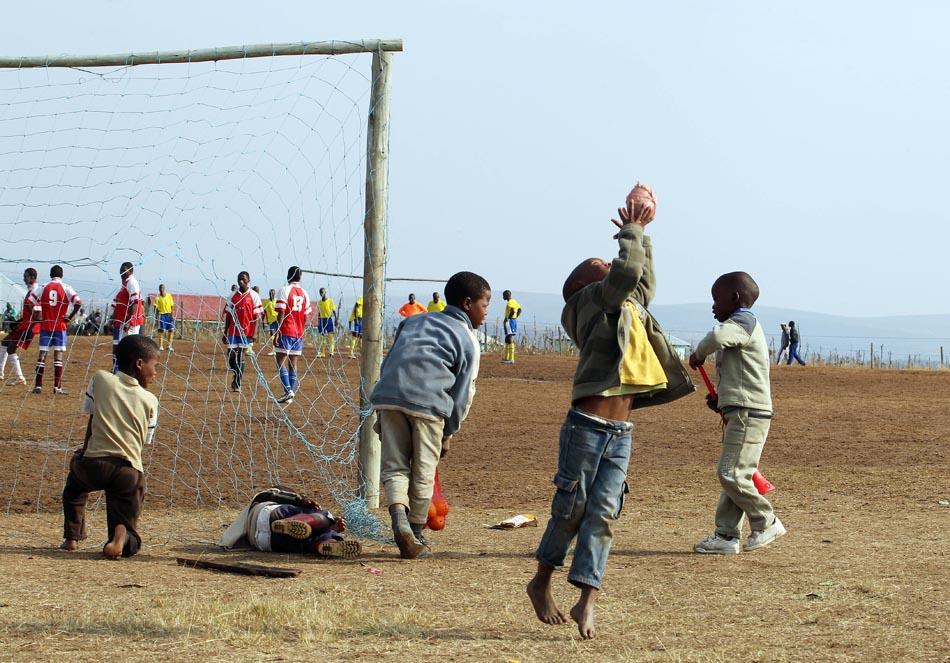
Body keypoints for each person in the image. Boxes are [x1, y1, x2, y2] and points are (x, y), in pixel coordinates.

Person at [527, 184, 693, 640]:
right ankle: (540, 582)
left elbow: (641, 281)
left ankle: (586, 600)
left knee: (603, 513)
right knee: (572, 507)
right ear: (584, 288)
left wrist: (643, 234)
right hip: (587, 425)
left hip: (620, 430)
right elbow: (625, 273)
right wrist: (632, 231)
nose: (611, 271)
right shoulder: (587, 305)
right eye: (601, 271)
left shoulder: (623, 305)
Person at [371, 271, 490, 559]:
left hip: (389, 396)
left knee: (395, 466)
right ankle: (414, 532)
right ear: (467, 304)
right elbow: (463, 394)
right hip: (429, 405)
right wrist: (448, 433)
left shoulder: (412, 321)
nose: (486, 312)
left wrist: (384, 409)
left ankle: (398, 518)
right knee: (424, 469)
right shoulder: (468, 339)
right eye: (485, 305)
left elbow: (391, 360)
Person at [688, 271, 786, 556]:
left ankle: (766, 521)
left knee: (731, 472)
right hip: (744, 409)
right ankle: (726, 535)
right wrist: (723, 401)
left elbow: (718, 336)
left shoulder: (741, 322)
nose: (713, 307)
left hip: (748, 412)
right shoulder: (743, 326)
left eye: (716, 300)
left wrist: (699, 353)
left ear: (735, 298)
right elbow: (739, 374)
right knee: (738, 473)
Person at [60, 334, 159, 559]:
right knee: (125, 512)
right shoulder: (151, 400)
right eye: (155, 365)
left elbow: (92, 418)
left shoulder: (101, 379)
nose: (156, 372)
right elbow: (146, 441)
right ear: (139, 364)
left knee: (74, 490)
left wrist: (83, 453)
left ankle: (72, 538)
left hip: (93, 464)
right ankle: (122, 535)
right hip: (128, 470)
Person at [218, 486, 361, 558]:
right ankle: (325, 542)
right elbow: (271, 494)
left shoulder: (299, 507)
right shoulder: (279, 496)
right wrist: (301, 500)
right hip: (271, 527)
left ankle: (328, 544)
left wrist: (333, 528)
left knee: (325, 534)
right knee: (325, 516)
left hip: (263, 541)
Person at [34, 265, 82, 395]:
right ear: (62, 275)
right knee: (58, 355)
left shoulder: (43, 286)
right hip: (60, 325)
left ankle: (38, 385)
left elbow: (30, 300)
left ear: (50, 274)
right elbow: (78, 303)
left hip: (46, 324)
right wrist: (69, 317)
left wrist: (38, 315)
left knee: (42, 354)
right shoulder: (66, 287)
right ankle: (57, 387)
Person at [274, 266, 312, 404]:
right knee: (293, 363)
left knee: (280, 361)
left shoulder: (284, 290)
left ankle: (288, 390)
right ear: (300, 277)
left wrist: (277, 330)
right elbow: (306, 315)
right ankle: (289, 394)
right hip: (299, 332)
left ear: (288, 276)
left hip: (286, 330)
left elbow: (281, 312)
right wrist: (302, 330)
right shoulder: (305, 293)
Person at [0, 268, 42, 385]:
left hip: (29, 327)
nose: (24, 278)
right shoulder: (30, 290)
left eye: (26, 276)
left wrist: (32, 324)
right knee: (4, 342)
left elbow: (38, 312)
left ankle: (20, 377)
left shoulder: (35, 291)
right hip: (24, 325)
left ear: (32, 277)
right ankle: (1, 372)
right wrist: (19, 321)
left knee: (11, 348)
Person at [223, 271, 263, 392]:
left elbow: (257, 316)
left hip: (246, 332)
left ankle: (237, 382)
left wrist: (255, 333)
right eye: (239, 279)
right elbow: (229, 315)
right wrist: (225, 331)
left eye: (243, 279)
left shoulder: (254, 296)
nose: (241, 281)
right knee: (231, 356)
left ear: (248, 280)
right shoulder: (232, 295)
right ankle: (236, 374)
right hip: (233, 331)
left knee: (240, 355)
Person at [110, 262, 144, 373]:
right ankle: (116, 371)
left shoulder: (132, 283)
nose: (122, 272)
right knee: (118, 347)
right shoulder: (124, 285)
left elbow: (135, 302)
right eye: (121, 270)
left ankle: (130, 373)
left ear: (131, 271)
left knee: (129, 348)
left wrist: (130, 320)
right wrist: (111, 318)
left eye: (124, 270)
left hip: (129, 323)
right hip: (119, 323)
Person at [316, 287, 339, 358]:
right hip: (322, 320)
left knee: (330, 336)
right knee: (322, 336)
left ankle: (331, 352)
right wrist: (319, 321)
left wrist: (336, 320)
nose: (321, 293)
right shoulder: (319, 302)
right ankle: (322, 353)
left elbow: (334, 311)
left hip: (329, 320)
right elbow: (319, 313)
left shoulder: (330, 301)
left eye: (322, 292)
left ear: (325, 292)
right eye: (320, 292)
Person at [502, 290, 522, 365]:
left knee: (509, 338)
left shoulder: (510, 302)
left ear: (507, 295)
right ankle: (507, 358)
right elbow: (520, 310)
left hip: (510, 321)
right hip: (512, 320)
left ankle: (511, 359)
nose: (503, 297)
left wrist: (509, 318)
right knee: (507, 338)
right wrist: (516, 317)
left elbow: (513, 310)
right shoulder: (514, 301)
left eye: (503, 295)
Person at [154, 284, 175, 352]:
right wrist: (156, 317)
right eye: (160, 288)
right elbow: (155, 308)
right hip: (161, 315)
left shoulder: (169, 296)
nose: (161, 289)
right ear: (159, 289)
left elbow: (172, 306)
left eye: (162, 288)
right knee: (161, 330)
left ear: (164, 289)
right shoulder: (157, 297)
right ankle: (160, 346)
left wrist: (172, 315)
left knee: (171, 330)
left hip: (169, 314)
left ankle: (169, 345)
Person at [262, 288, 279, 356]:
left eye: (273, 294)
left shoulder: (277, 301)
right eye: (270, 294)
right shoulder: (266, 301)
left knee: (278, 334)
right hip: (271, 320)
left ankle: (279, 349)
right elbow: (264, 311)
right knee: (272, 334)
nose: (272, 295)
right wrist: (263, 320)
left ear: (275, 294)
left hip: (278, 320)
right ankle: (274, 349)